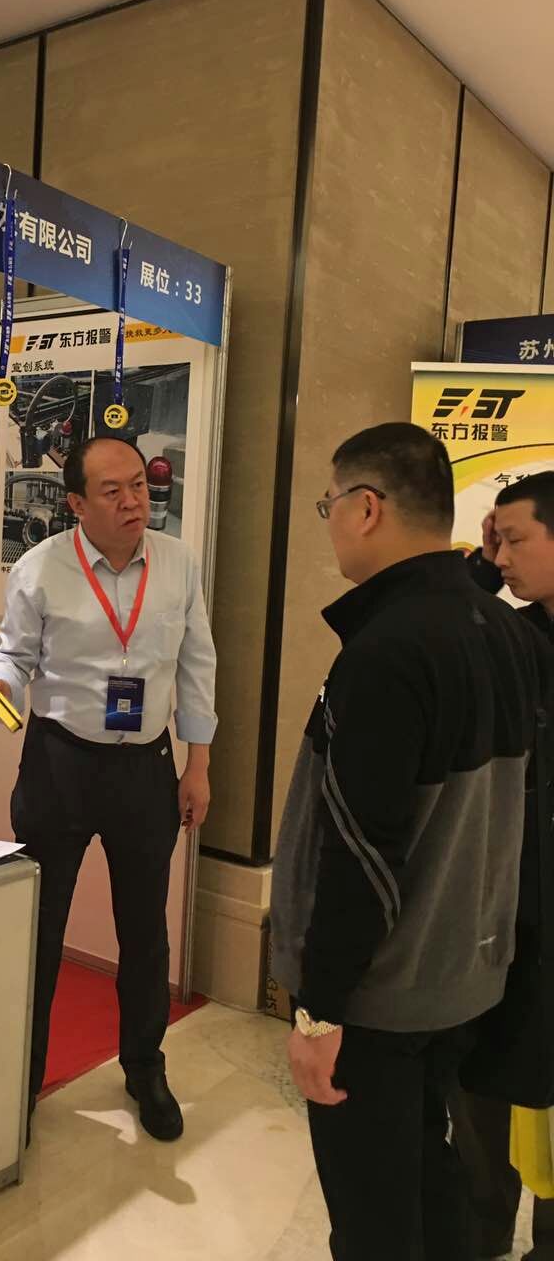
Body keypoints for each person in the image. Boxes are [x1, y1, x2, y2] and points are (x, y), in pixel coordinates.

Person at [270, 423, 541, 1261]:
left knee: (375, 1216)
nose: (331, 524)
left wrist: (319, 1009)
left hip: (379, 997)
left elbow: (362, 853)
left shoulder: (388, 650)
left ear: (367, 508)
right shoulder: (499, 629)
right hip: (461, 976)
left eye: (330, 506)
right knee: (431, 1176)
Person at [0, 436, 216, 1143]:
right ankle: (23, 1081)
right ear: (76, 503)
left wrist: (197, 764)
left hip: (146, 769)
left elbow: (197, 663)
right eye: (113, 490)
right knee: (41, 928)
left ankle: (145, 1068)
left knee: (145, 931)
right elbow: (15, 657)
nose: (134, 500)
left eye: (138, 484)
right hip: (60, 765)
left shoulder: (179, 563)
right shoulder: (41, 568)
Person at [450, 470, 554, 1261]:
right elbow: (435, 628)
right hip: (503, 907)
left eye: (514, 539)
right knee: (480, 1088)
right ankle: (478, 1235)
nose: (503, 555)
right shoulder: (513, 636)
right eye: (497, 541)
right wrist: (482, 571)